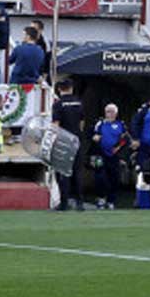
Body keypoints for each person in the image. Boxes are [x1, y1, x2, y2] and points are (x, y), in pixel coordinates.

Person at [52, 77, 86, 211]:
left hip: (63, 140)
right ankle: (80, 203)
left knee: (63, 172)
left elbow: (56, 124)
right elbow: (82, 122)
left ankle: (64, 203)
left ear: (60, 89)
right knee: (77, 172)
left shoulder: (58, 104)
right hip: (76, 140)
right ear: (71, 88)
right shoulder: (79, 102)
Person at [92, 103, 129, 209]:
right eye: (108, 111)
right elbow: (92, 134)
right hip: (100, 154)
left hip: (114, 155)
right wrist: (95, 137)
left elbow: (125, 139)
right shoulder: (100, 124)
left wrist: (118, 148)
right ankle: (101, 198)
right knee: (100, 176)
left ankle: (111, 200)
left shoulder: (120, 124)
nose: (110, 114)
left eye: (112, 112)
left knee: (114, 178)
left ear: (116, 113)